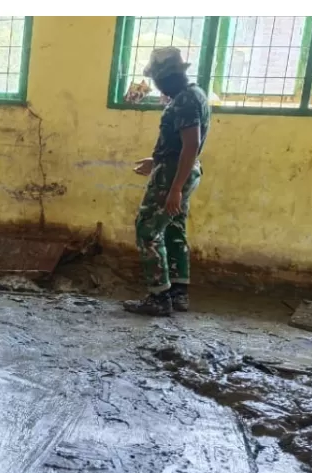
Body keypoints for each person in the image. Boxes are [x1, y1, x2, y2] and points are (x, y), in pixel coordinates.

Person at [123, 47, 211, 317]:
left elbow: (191, 144)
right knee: (173, 227)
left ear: (167, 77)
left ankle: (159, 297)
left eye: (158, 80)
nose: (157, 86)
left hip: (174, 176)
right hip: (183, 170)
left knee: (147, 229)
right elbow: (181, 145)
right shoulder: (195, 94)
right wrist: (156, 160)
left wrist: (174, 188)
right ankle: (178, 292)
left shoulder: (184, 100)